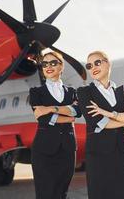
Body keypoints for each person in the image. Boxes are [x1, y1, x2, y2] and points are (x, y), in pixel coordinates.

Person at [77, 51, 124, 199]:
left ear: (108, 63)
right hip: (98, 152)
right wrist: (123, 118)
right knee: (100, 194)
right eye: (89, 65)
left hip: (121, 150)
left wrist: (110, 114)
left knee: (123, 193)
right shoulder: (84, 92)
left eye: (97, 62)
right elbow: (99, 123)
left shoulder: (121, 93)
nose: (93, 67)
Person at [29, 51, 82, 199]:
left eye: (53, 63)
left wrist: (51, 109)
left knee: (61, 192)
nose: (48, 66)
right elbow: (42, 118)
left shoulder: (72, 92)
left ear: (61, 67)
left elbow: (77, 112)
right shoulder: (36, 92)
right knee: (45, 193)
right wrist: (67, 116)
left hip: (67, 148)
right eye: (45, 64)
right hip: (44, 150)